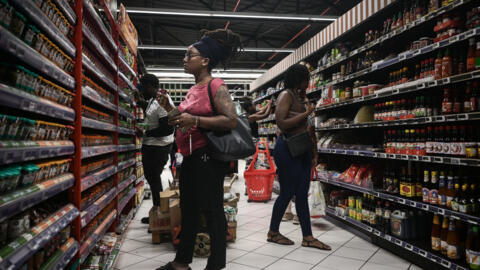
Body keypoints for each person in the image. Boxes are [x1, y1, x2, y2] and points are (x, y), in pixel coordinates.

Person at [156, 28, 242, 270]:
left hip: (208, 157)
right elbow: (181, 121)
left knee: (212, 210)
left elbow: (231, 120)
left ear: (205, 60)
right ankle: (182, 262)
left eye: (189, 55)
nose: (184, 59)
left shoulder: (216, 85)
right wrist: (170, 109)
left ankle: (215, 265)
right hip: (191, 157)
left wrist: (194, 120)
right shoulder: (194, 88)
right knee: (189, 209)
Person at [267, 64, 331, 250]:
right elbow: (281, 123)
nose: (308, 82)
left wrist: (314, 152)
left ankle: (308, 237)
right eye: (306, 78)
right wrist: (306, 113)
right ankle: (273, 232)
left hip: (302, 148)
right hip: (287, 148)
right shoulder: (286, 95)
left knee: (302, 193)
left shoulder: (302, 98)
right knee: (287, 192)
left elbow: (310, 128)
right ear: (298, 79)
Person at [137, 74, 175, 226]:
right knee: (153, 179)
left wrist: (146, 132)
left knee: (153, 178)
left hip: (158, 147)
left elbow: (167, 128)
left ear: (149, 86)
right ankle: (156, 210)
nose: (142, 90)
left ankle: (158, 212)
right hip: (152, 145)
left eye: (142, 87)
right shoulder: (154, 100)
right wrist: (140, 102)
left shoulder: (161, 101)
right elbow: (151, 110)